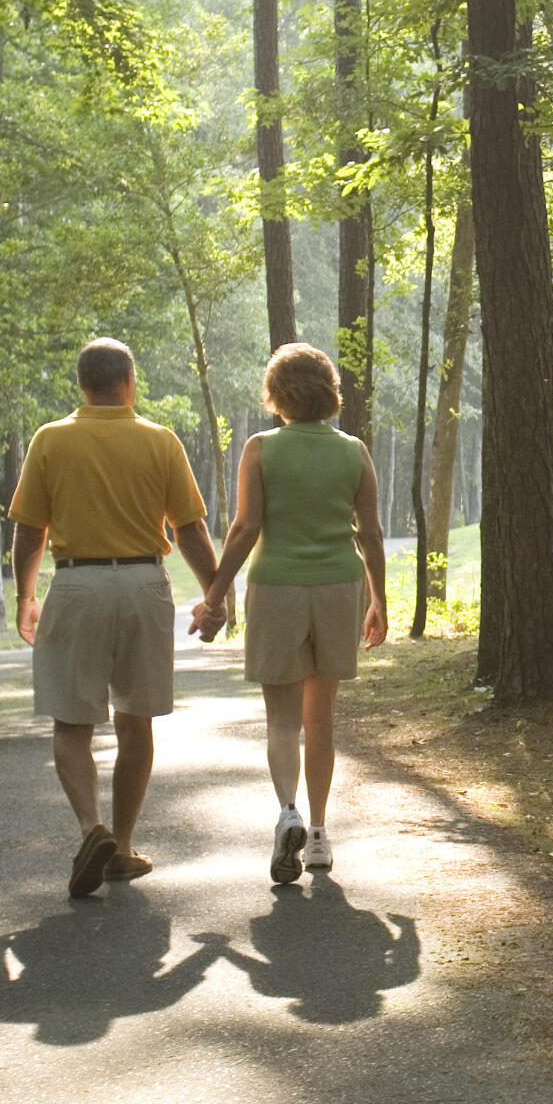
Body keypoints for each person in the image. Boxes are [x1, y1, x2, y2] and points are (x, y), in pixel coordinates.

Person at [10, 338, 219, 898]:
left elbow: (30, 529)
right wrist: (214, 595)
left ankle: (89, 828)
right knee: (135, 722)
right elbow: (191, 529)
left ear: (83, 385)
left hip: (77, 584)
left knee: (71, 722)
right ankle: (121, 848)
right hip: (145, 585)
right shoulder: (160, 441)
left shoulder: (50, 440)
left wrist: (25, 595)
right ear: (130, 381)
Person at [192, 343, 387, 885]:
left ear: (276, 395)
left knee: (281, 718)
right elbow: (370, 534)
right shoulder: (354, 451)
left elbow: (246, 528)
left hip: (276, 586)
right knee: (319, 717)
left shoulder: (259, 449)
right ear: (329, 393)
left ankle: (287, 814)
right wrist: (379, 600)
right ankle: (321, 836)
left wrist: (215, 597)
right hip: (338, 588)